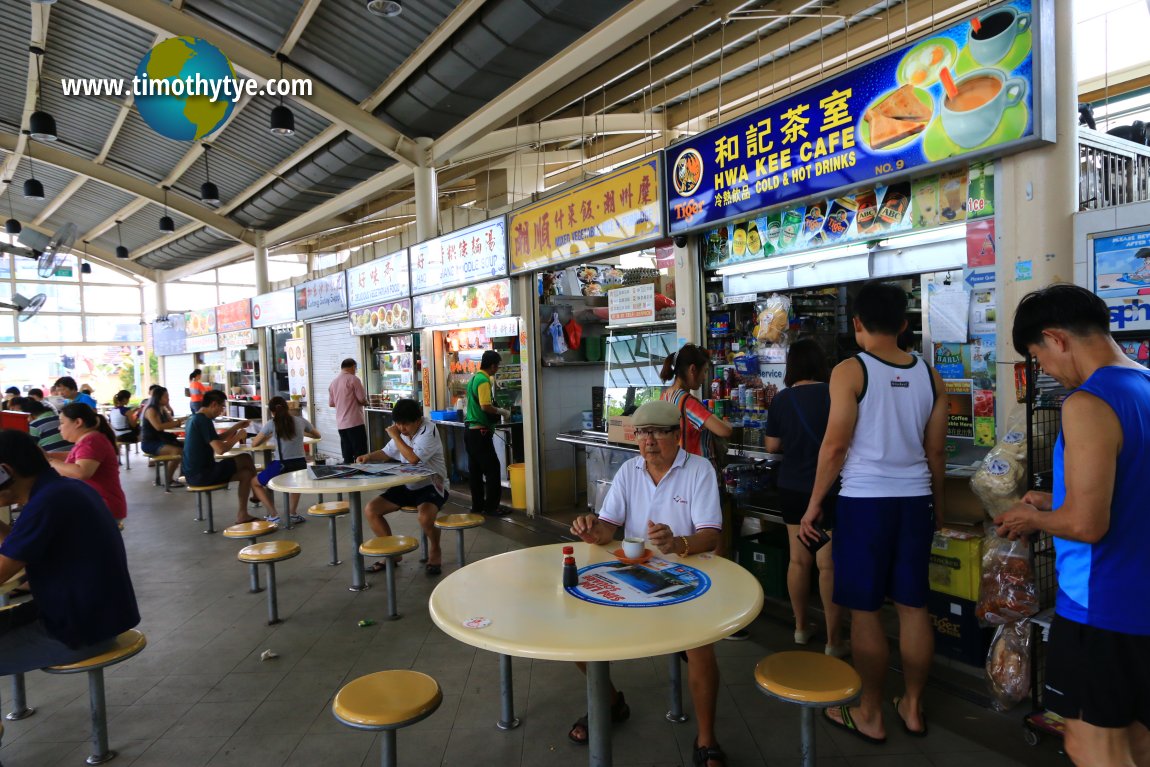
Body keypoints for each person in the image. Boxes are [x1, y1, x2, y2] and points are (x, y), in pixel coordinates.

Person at [996, 284, 1150, 767]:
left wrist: (1034, 516)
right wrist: (1053, 497)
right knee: (1138, 740)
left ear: (1055, 338)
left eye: (1038, 357)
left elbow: (1087, 524)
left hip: (1102, 608)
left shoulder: (1087, 402)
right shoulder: (1143, 384)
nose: (1046, 370)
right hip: (1143, 603)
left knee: (1090, 744)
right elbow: (1133, 486)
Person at [801, 281, 947, 744]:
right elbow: (936, 453)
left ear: (857, 323)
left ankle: (869, 713)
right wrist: (936, 508)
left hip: (864, 504)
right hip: (915, 501)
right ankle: (913, 706)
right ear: (904, 325)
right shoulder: (930, 375)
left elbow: (836, 445)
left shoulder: (850, 371)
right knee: (913, 606)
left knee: (864, 612)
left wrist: (814, 504)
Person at [569, 400, 726, 766]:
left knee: (701, 648)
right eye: (642, 433)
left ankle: (706, 739)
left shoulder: (699, 469)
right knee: (575, 633)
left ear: (677, 435)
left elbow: (711, 535)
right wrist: (593, 531)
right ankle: (609, 702)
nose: (649, 441)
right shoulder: (628, 470)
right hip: (634, 575)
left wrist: (679, 543)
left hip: (688, 578)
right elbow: (609, 526)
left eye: (658, 432)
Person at [0, 429, 140, 673]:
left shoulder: (47, 503)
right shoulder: (63, 490)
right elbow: (19, 545)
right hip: (97, 617)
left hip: (80, 632)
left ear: (6, 472)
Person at [763, 338, 847, 657]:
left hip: (792, 488)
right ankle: (833, 640)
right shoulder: (834, 394)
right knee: (828, 566)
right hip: (829, 489)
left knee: (799, 560)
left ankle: (800, 628)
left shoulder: (782, 399)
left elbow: (771, 446)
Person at [356, 399, 450, 576]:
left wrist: (396, 436)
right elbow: (387, 452)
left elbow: (413, 459)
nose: (401, 428)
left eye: (405, 424)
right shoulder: (401, 432)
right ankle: (393, 553)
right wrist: (368, 456)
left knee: (424, 518)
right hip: (408, 484)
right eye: (397, 424)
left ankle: (435, 550)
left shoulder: (429, 431)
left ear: (418, 420)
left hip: (433, 485)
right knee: (371, 510)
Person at [182, 390, 275, 525]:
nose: (222, 411)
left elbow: (217, 438)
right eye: (222, 407)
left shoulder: (195, 418)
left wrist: (236, 427)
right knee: (245, 458)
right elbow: (220, 449)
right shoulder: (203, 421)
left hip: (194, 473)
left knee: (246, 474)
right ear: (214, 404)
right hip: (202, 474)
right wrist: (237, 437)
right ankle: (256, 490)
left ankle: (243, 514)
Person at [46, 403, 128, 525]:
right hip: (97, 506)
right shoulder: (88, 440)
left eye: (62, 423)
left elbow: (81, 472)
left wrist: (49, 461)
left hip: (102, 508)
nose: (59, 428)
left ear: (78, 422)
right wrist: (48, 456)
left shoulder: (91, 441)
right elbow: (73, 457)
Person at [251, 396, 320, 523]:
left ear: (272, 412)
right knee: (295, 485)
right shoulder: (300, 421)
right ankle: (292, 513)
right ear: (287, 408)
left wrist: (268, 436)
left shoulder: (272, 424)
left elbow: (255, 443)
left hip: (281, 465)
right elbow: (317, 435)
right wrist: (302, 433)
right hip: (300, 464)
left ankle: (273, 514)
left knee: (255, 482)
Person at [465, 350, 510, 516]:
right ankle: (492, 507)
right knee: (492, 470)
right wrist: (502, 412)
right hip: (481, 433)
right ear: (493, 365)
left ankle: (477, 506)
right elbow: (485, 406)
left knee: (475, 471)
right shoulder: (484, 380)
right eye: (497, 366)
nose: (497, 369)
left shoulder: (473, 379)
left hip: (470, 432)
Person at [140, 386, 186, 489]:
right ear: (158, 398)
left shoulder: (162, 409)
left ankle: (183, 474)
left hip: (162, 440)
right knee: (177, 451)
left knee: (186, 446)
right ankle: (168, 480)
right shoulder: (151, 410)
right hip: (150, 443)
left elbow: (171, 423)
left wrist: (181, 420)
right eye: (166, 396)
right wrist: (178, 422)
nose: (168, 398)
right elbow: (158, 427)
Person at [327, 358, 367, 464]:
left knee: (347, 454)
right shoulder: (353, 379)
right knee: (361, 453)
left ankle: (349, 477)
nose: (355, 370)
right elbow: (362, 399)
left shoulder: (333, 383)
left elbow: (331, 403)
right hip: (355, 422)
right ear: (353, 367)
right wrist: (365, 402)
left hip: (341, 424)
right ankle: (363, 476)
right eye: (355, 368)